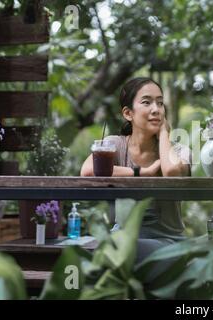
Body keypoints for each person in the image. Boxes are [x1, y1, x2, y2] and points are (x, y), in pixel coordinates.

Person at [80, 77, 191, 282]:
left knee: (108, 256)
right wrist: (142, 172)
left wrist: (165, 131)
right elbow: (87, 171)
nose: (156, 109)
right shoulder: (114, 145)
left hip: (167, 244)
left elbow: (172, 173)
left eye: (160, 102)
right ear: (127, 113)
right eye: (147, 102)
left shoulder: (178, 151)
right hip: (121, 240)